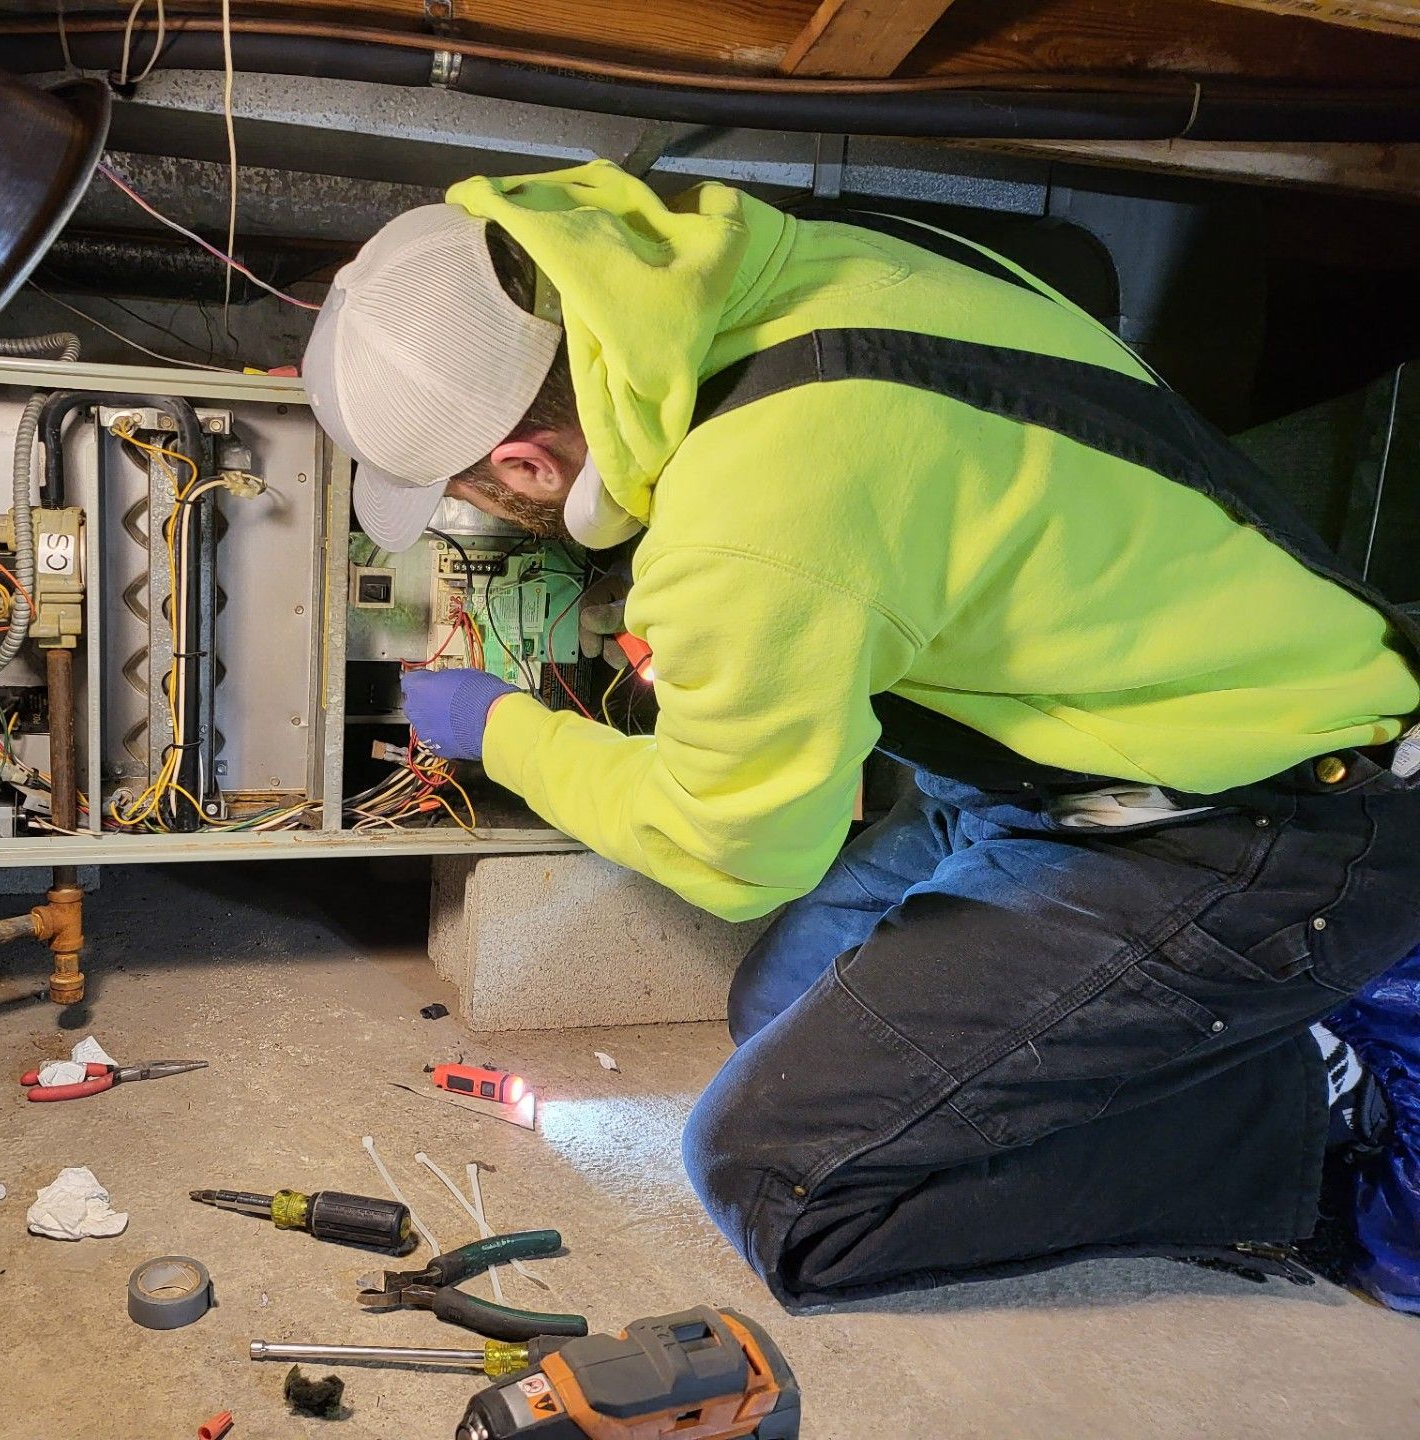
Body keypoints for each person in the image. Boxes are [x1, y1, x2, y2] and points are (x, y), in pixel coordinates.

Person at [302, 161, 1420, 1307]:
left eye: (480, 498)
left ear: (525, 463)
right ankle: (1222, 1006)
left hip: (1267, 812)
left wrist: (505, 731)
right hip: (1080, 750)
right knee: (774, 1010)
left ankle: (1313, 1109)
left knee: (779, 1179)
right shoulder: (788, 260)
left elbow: (732, 855)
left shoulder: (751, 516)